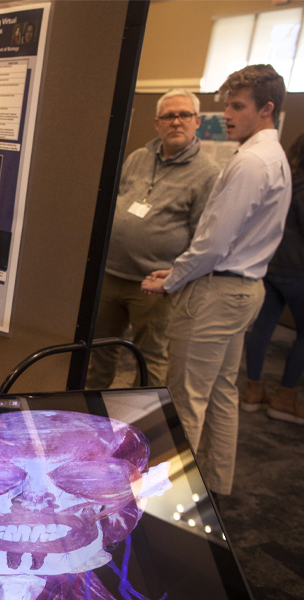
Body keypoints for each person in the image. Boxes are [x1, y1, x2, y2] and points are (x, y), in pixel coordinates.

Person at [142, 65, 292, 498]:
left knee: (186, 399)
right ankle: (214, 485)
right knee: (223, 392)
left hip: (218, 292)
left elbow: (213, 242)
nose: (225, 113)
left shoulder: (249, 162)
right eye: (226, 104)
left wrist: (172, 280)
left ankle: (167, 502)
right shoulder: (272, 155)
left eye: (237, 106)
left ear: (267, 109)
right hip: (243, 289)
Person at [87, 90, 219, 388]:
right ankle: (91, 416)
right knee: (99, 351)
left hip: (156, 284)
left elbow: (203, 236)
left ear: (197, 121)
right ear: (157, 123)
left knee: (150, 360)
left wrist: (177, 278)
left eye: (184, 115)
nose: (176, 122)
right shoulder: (139, 157)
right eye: (168, 116)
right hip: (111, 274)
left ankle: (143, 426)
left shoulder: (208, 173)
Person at [243, 127, 304, 425]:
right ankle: (285, 398)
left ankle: (253, 392)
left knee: (262, 329)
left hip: (270, 268)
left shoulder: (286, 179)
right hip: (302, 274)